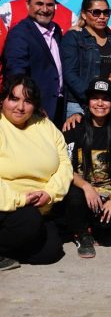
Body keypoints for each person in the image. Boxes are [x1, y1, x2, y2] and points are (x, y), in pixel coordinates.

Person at [0, 75, 72, 269]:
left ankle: (6, 252)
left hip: (40, 207)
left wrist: (50, 193)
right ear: (3, 99)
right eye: (14, 99)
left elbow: (65, 163)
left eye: (28, 101)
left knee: (51, 251)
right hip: (7, 206)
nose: (20, 107)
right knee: (29, 221)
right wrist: (20, 199)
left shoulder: (45, 126)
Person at [63, 79, 111, 258]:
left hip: (107, 192)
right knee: (74, 196)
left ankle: (92, 224)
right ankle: (82, 234)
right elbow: (65, 167)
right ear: (87, 102)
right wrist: (87, 187)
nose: (99, 103)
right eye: (94, 98)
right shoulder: (75, 127)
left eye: (105, 99)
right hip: (81, 190)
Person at [3, 0, 65, 126]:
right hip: (36, 111)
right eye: (39, 4)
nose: (44, 9)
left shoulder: (56, 31)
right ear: (27, 5)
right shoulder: (19, 34)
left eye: (50, 5)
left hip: (58, 108)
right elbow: (16, 74)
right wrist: (33, 105)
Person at [61, 0, 111, 117]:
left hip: (106, 104)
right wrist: (92, 96)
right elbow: (69, 73)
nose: (102, 16)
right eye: (96, 12)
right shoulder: (74, 37)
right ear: (84, 14)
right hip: (79, 104)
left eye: (106, 12)